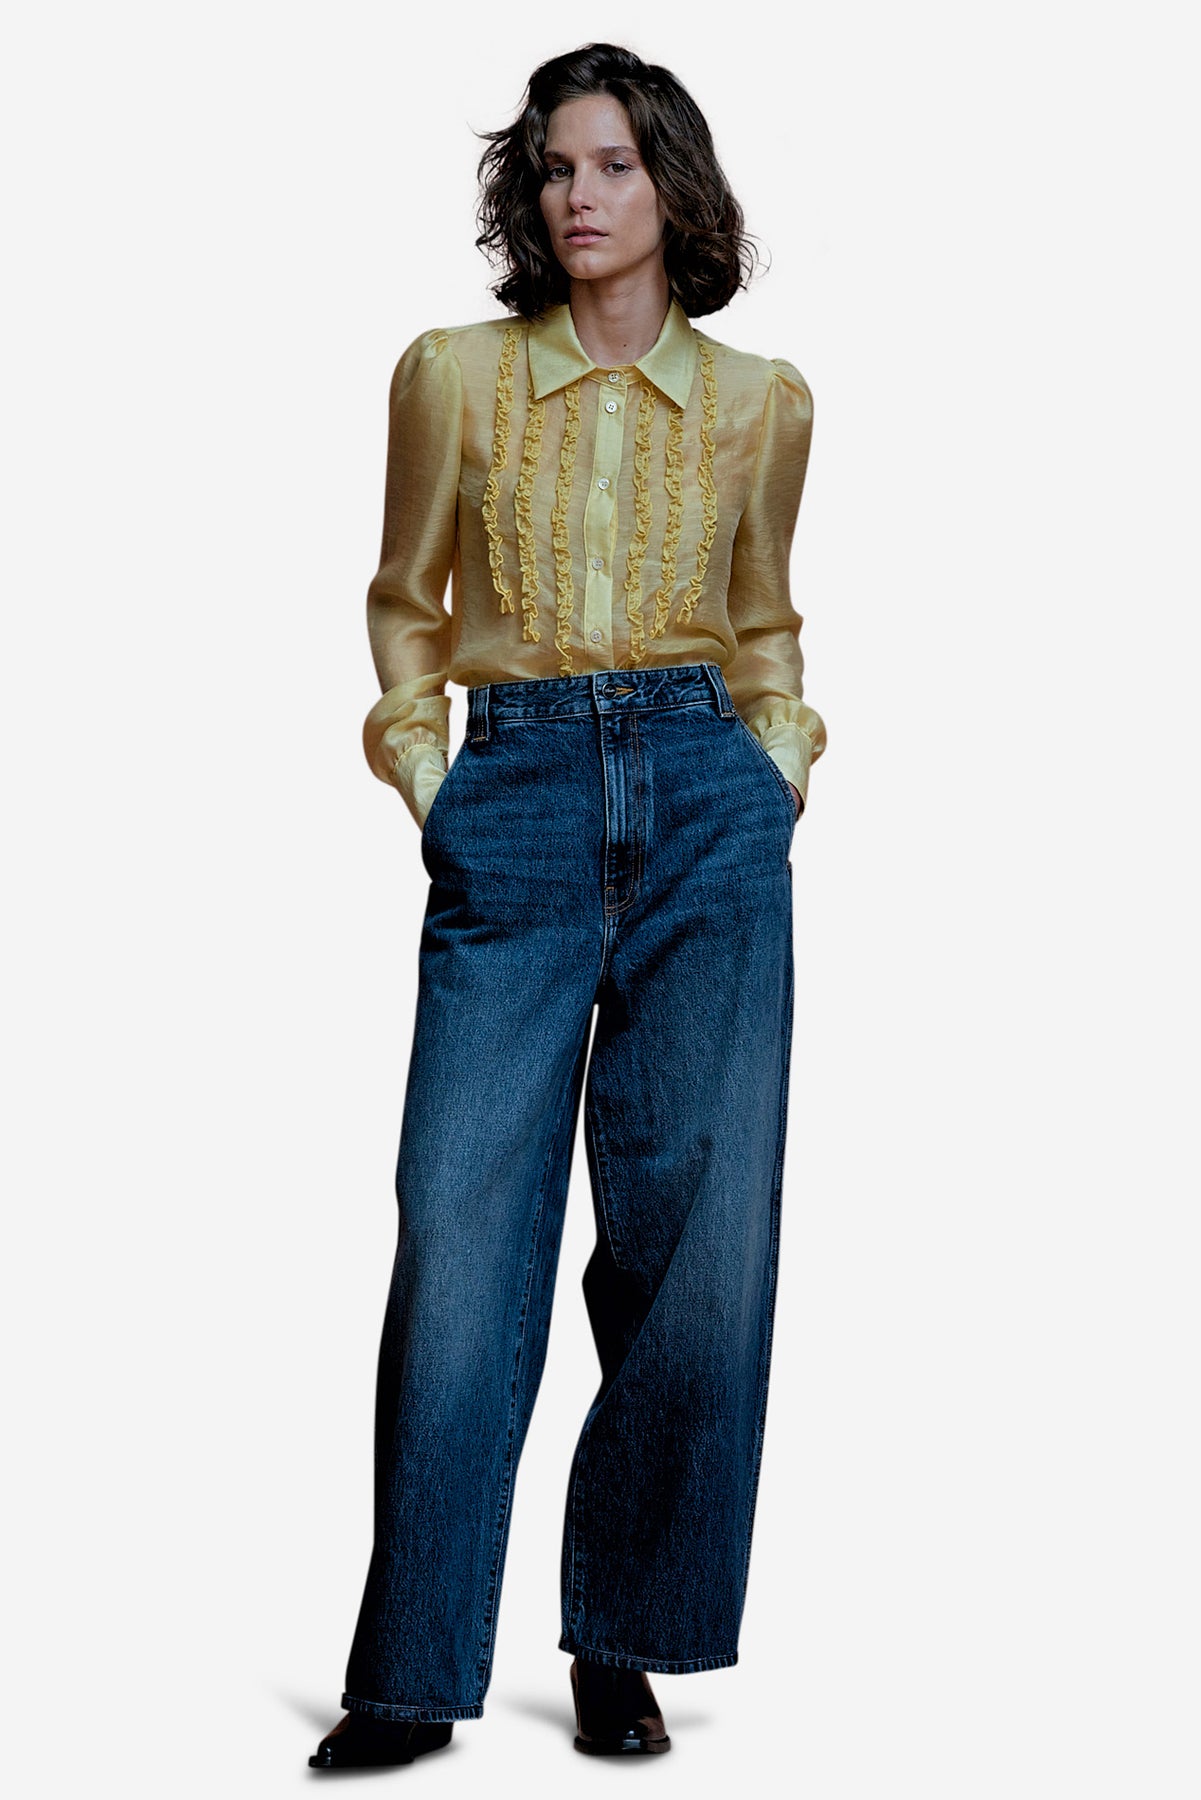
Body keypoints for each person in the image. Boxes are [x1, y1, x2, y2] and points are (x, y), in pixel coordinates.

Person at [309, 40, 827, 1771]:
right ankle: (409, 1671)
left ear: (673, 185)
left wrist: (775, 766)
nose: (577, 195)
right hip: (517, 796)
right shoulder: (451, 376)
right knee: (461, 1227)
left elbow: (764, 619)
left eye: (610, 163)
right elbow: (405, 600)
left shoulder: (761, 403)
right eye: (551, 167)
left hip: (706, 808)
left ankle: (624, 1640)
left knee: (697, 1246)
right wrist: (435, 776)